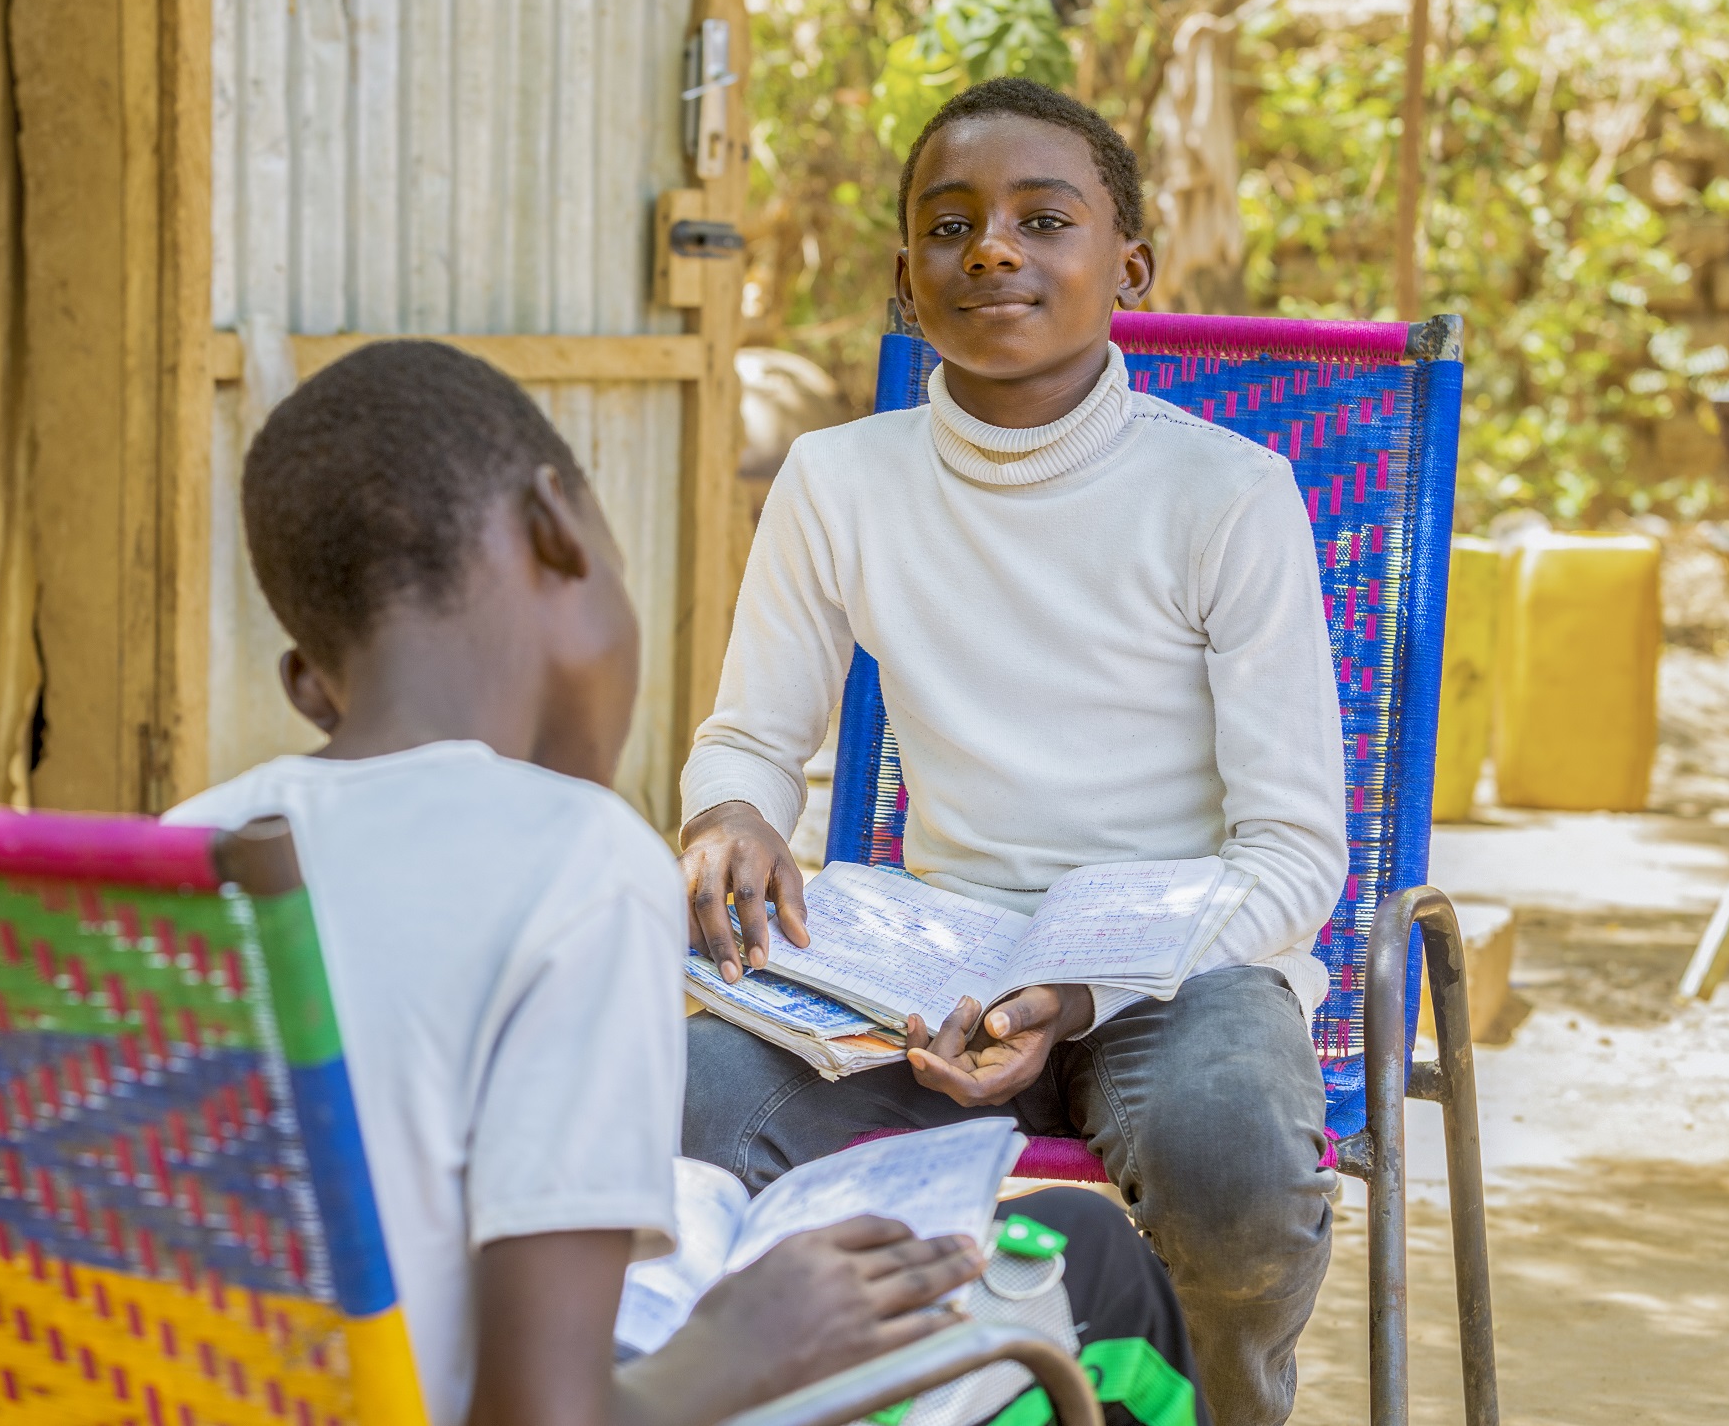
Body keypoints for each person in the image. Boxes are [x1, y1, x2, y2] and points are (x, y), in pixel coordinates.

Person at [166, 340, 1206, 1426]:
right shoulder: (574, 858)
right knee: (1090, 1268)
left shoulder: (178, 850)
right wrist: (749, 1337)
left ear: (306, 681)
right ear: (557, 532)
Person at [679, 79, 1347, 1426]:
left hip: (1176, 960)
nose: (993, 249)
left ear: (1130, 269)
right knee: (690, 1110)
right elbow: (752, 736)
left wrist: (1084, 986)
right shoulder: (838, 480)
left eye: (1045, 219)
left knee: (1235, 1162)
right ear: (909, 274)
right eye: (951, 224)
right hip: (937, 962)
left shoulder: (1226, 494)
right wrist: (733, 814)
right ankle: (864, 1394)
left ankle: (1220, 1405)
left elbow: (1294, 851)